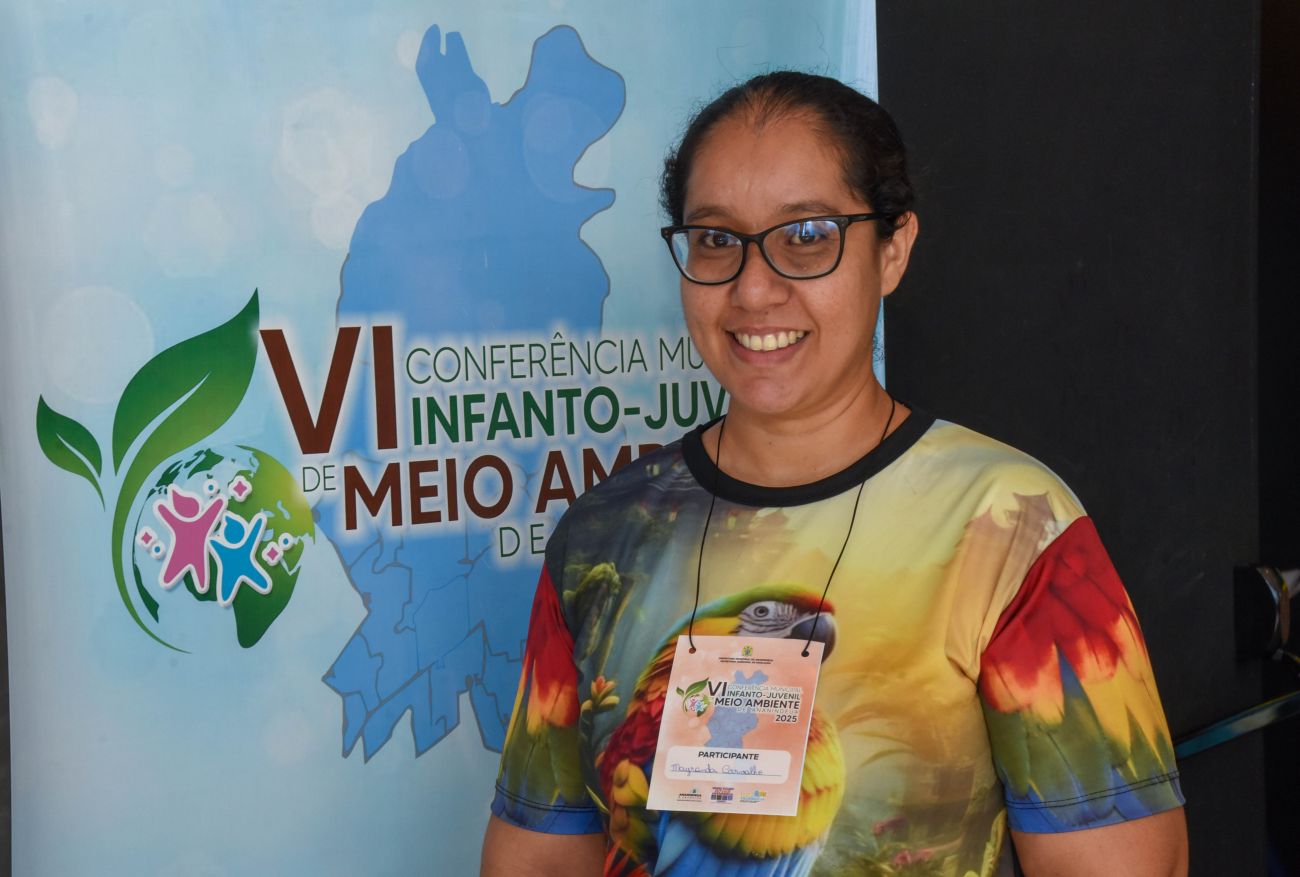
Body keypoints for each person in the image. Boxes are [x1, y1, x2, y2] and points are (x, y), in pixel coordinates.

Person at [482, 71, 1188, 877]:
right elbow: (536, 860)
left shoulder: (1013, 528)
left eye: (807, 235)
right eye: (716, 239)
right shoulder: (605, 534)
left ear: (893, 249)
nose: (754, 289)